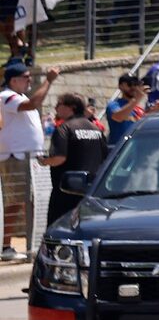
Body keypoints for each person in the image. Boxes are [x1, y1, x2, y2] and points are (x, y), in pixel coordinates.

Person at [0, 60, 54, 258]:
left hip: (29, 158)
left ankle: (31, 243)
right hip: (16, 157)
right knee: (14, 201)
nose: (29, 80)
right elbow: (33, 103)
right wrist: (48, 81)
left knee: (31, 201)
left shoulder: (17, 96)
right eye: (26, 77)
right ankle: (5, 245)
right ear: (13, 80)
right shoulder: (7, 96)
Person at [37, 92, 108, 224]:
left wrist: (43, 161)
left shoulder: (64, 129)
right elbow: (106, 157)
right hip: (90, 191)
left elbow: (59, 158)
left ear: (72, 108)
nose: (56, 108)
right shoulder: (95, 129)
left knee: (57, 229)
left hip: (65, 192)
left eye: (59, 104)